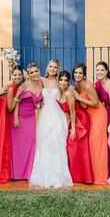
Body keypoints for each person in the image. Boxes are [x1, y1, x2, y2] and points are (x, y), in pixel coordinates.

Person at [29, 60, 73, 188]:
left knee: (56, 144)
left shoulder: (61, 81)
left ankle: (58, 176)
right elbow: (29, 80)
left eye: (55, 67)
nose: (52, 69)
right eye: (50, 66)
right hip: (44, 115)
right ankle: (44, 176)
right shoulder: (42, 80)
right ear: (47, 68)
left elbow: (69, 90)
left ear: (58, 69)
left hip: (57, 115)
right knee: (44, 143)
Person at [71, 63, 108, 184]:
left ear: (84, 74)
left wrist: (79, 98)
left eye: (80, 73)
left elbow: (96, 103)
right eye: (75, 73)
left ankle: (100, 176)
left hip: (98, 115)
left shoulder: (87, 85)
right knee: (92, 145)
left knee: (97, 145)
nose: (77, 75)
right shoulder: (76, 85)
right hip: (89, 116)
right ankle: (92, 173)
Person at [57, 71, 93, 184]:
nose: (63, 82)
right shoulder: (60, 92)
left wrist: (73, 128)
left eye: (65, 80)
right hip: (74, 120)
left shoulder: (68, 93)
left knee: (75, 145)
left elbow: (72, 112)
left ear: (69, 82)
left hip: (80, 120)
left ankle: (85, 177)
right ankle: (77, 176)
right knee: (74, 148)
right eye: (61, 80)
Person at [11, 63, 43, 180]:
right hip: (21, 117)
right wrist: (15, 118)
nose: (34, 74)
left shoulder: (42, 83)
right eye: (31, 73)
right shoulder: (24, 85)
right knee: (20, 147)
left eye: (36, 71)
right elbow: (17, 102)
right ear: (28, 75)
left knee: (31, 144)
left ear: (39, 71)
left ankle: (28, 172)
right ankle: (18, 173)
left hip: (32, 118)